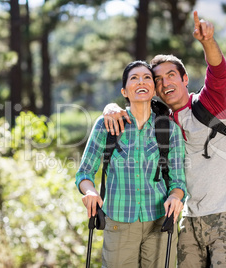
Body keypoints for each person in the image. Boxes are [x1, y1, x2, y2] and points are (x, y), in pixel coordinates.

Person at [103, 11, 226, 267]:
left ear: (184, 78)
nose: (164, 83)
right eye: (157, 79)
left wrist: (207, 41)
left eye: (171, 75)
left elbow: (219, 71)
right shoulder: (164, 124)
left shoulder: (211, 103)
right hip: (190, 218)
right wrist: (111, 108)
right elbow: (136, 110)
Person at [76, 60, 187, 267]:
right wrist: (89, 192)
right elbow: (84, 173)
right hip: (119, 225)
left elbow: (178, 181)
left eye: (146, 78)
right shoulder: (106, 125)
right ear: (124, 91)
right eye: (134, 78)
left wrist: (175, 197)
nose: (141, 82)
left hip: (160, 224)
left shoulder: (169, 129)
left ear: (153, 88)